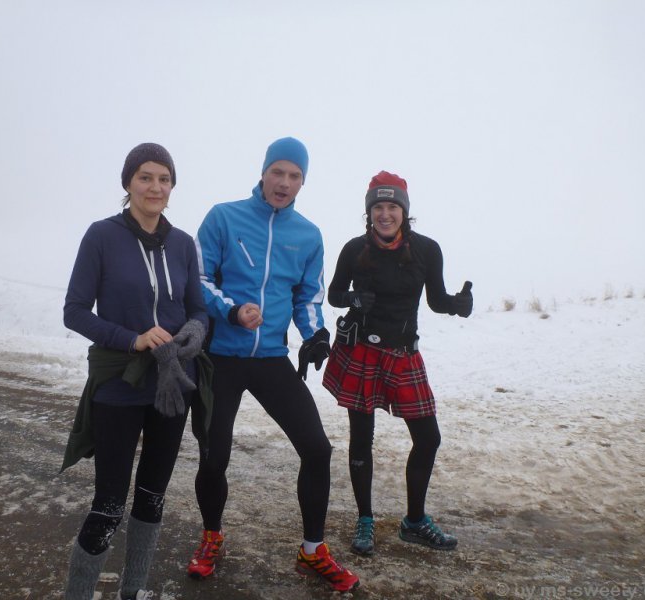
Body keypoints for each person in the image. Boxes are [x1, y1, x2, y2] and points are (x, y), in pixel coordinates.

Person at [186, 137, 359, 593]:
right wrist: (232, 311)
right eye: (277, 172)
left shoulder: (308, 235)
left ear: (303, 181)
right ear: (263, 172)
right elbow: (197, 279)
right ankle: (211, 536)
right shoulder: (224, 217)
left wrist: (315, 334)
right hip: (220, 358)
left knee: (317, 449)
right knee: (214, 455)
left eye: (294, 175)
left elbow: (307, 297)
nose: (284, 182)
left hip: (270, 359)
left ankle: (312, 550)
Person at [60, 143, 209, 600]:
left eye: (164, 179)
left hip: (172, 384)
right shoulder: (102, 236)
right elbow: (74, 311)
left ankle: (135, 589)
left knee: (152, 495)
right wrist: (133, 339)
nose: (155, 187)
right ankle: (78, 594)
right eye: (145, 177)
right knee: (108, 504)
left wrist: (195, 330)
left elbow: (198, 308)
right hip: (119, 385)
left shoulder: (182, 244)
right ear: (128, 183)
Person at [322, 170, 473, 556]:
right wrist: (353, 299)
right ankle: (365, 519)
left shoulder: (427, 250)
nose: (385, 214)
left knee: (428, 438)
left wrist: (457, 305)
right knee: (361, 438)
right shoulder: (354, 249)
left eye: (392, 206)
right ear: (369, 212)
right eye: (378, 207)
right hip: (362, 352)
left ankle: (415, 521)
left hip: (403, 353)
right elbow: (334, 294)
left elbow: (436, 300)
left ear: (404, 211)